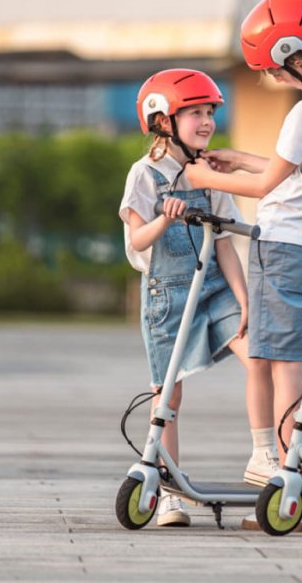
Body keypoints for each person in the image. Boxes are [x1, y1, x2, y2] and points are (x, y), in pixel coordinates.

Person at [185, 0, 302, 532]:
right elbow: (301, 168)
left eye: (277, 73)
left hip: (283, 249)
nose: (278, 82)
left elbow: (268, 187)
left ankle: (289, 493)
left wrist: (205, 177)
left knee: (287, 374)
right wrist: (238, 157)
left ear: (300, 60)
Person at [118, 69, 277, 528]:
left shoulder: (211, 173)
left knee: (261, 355)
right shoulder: (145, 174)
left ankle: (263, 452)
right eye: (195, 113)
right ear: (163, 121)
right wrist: (164, 220)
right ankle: (169, 490)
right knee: (168, 396)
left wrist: (244, 300)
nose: (207, 121)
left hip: (214, 291)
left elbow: (224, 241)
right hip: (167, 296)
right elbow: (138, 238)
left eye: (210, 112)